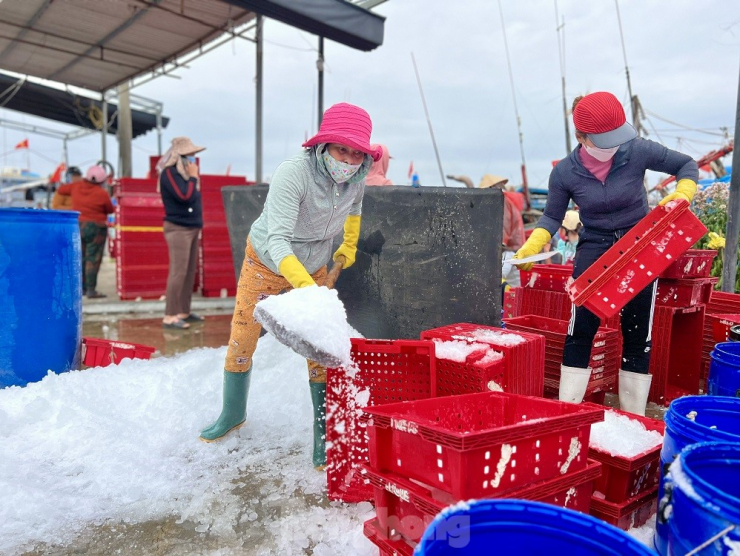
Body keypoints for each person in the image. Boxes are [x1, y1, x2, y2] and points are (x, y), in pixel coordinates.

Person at [198, 103, 381, 471]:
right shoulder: (293, 173)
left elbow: (356, 211)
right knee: (244, 336)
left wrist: (348, 243)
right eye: (341, 149)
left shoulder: (356, 178)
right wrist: (307, 288)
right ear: (324, 144)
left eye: (356, 151)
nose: (348, 158)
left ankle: (323, 436)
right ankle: (232, 413)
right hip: (266, 260)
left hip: (314, 264)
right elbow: (279, 240)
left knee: (320, 348)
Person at [513, 91, 698, 416]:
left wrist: (684, 191)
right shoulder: (565, 173)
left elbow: (686, 164)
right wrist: (537, 237)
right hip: (594, 252)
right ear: (581, 137)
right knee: (581, 330)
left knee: (638, 332)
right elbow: (553, 216)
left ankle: (634, 417)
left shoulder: (638, 150)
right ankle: (567, 413)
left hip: (640, 248)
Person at [157, 137, 205, 330]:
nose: (193, 159)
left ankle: (184, 311)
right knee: (178, 272)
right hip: (178, 228)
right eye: (189, 156)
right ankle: (169, 315)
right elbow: (184, 196)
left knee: (189, 272)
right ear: (180, 157)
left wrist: (192, 177)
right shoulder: (169, 174)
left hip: (192, 227)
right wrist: (193, 177)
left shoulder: (185, 176)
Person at [56, 165, 115, 298]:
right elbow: (110, 209)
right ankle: (91, 290)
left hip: (78, 226)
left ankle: (80, 289)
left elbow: (61, 189)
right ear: (101, 181)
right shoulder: (102, 193)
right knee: (92, 259)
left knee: (80, 258)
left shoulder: (76, 186)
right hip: (96, 228)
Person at [478, 174, 525, 287]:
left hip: (509, 251)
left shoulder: (502, 203)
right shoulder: (503, 202)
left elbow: (503, 231)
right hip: (511, 251)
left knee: (496, 279)